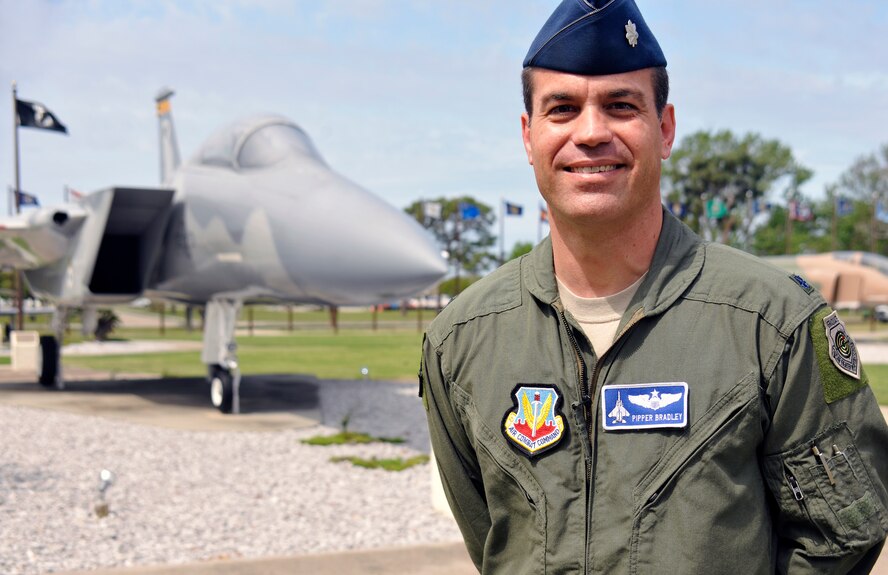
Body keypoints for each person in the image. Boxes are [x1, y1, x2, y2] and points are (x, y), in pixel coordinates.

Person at [419, 0, 888, 573]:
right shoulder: (461, 342)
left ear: (663, 129)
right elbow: (493, 540)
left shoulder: (774, 323)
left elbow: (843, 533)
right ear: (529, 136)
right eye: (562, 109)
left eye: (621, 106)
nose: (590, 133)